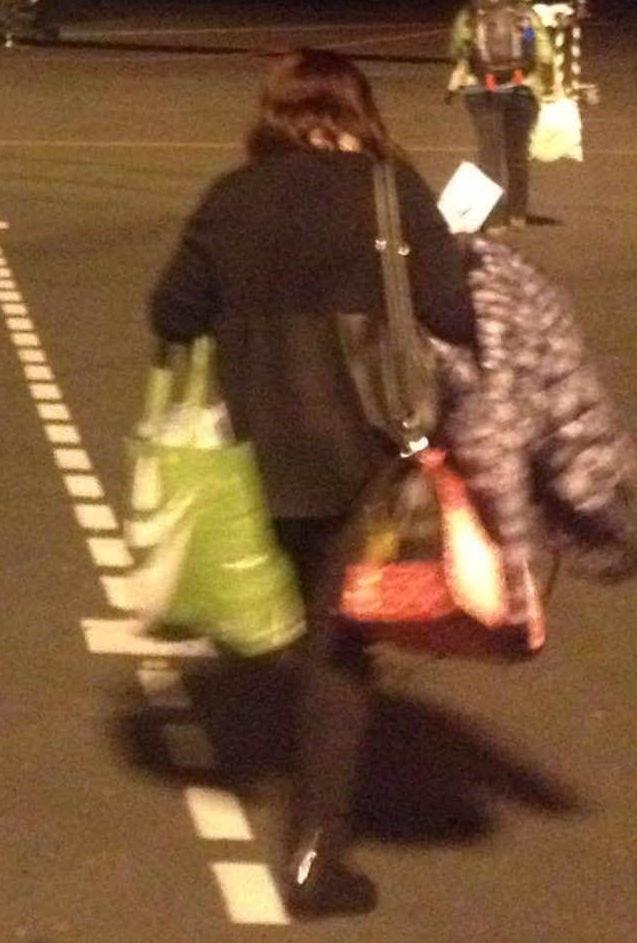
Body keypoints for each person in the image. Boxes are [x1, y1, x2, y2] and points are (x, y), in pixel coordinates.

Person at [148, 49, 475, 919]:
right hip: (361, 455)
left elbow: (171, 311)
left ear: (276, 114)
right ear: (358, 111)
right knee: (342, 648)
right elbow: (452, 309)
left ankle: (283, 718)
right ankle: (313, 855)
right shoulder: (389, 190)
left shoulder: (231, 198)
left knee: (298, 612)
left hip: (257, 451)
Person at [447, 0, 549, 229]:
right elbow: (544, 51)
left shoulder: (470, 12)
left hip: (481, 89)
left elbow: (456, 48)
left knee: (489, 155)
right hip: (521, 89)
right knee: (517, 153)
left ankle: (493, 219)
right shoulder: (524, 11)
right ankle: (517, 213)